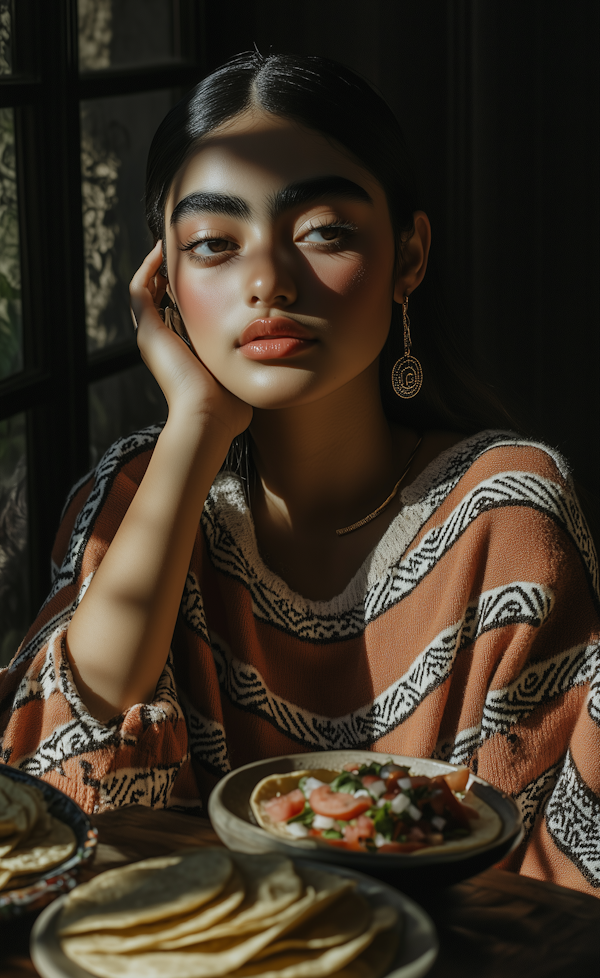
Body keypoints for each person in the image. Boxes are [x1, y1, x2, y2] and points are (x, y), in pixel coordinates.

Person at [1, 53, 598, 896]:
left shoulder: (506, 512)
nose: (268, 282)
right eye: (213, 244)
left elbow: (552, 892)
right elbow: (51, 799)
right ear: (164, 282)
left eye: (323, 230)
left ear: (410, 256)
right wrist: (197, 427)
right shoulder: (139, 498)